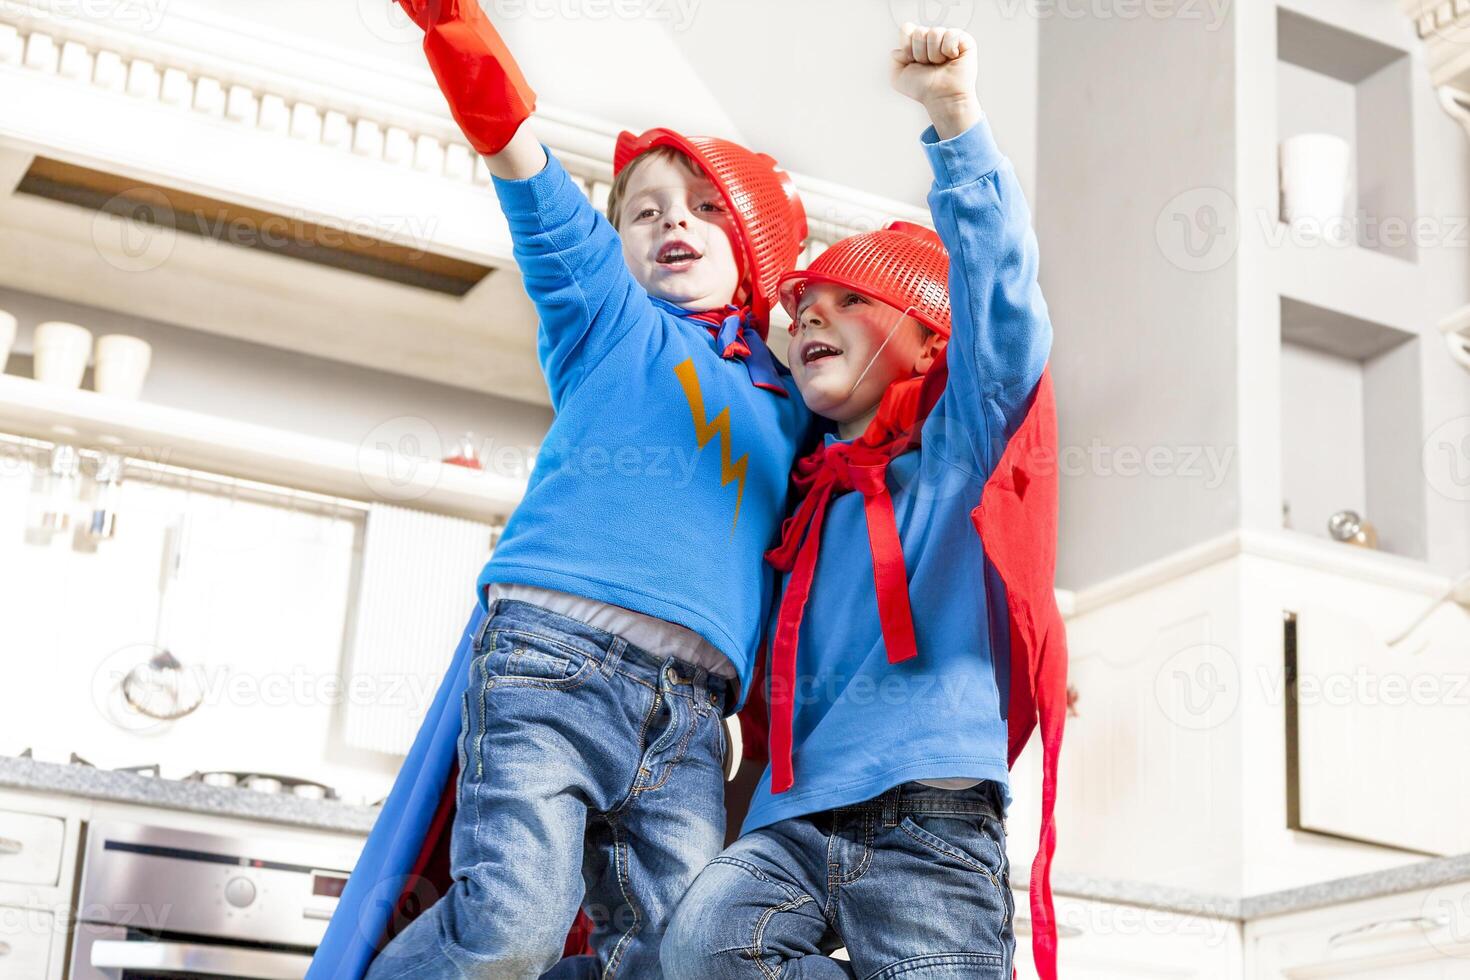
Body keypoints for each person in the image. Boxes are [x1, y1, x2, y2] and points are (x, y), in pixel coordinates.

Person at [308, 2, 813, 978]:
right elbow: (524, 170)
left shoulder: (793, 401)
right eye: (644, 207)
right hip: (555, 663)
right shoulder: (610, 318)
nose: (671, 221)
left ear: (755, 238)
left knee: (675, 962)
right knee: (512, 927)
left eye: (704, 205)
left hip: (696, 717)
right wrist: (457, 31)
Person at [661, 24, 1068, 980]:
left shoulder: (959, 450)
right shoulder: (799, 502)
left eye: (845, 302)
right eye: (801, 310)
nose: (808, 318)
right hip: (792, 820)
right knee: (704, 948)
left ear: (927, 342)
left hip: (932, 810)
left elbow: (1001, 305)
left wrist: (953, 118)